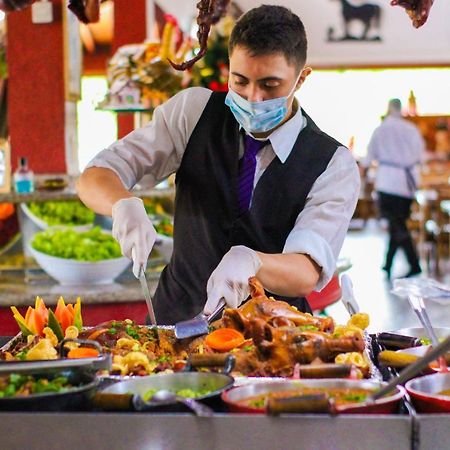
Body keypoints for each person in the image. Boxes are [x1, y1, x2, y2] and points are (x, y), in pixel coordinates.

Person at [76, 5, 360, 324]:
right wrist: (121, 204)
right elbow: (94, 176)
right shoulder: (194, 112)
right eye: (240, 81)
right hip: (174, 325)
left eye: (270, 85)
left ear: (301, 78)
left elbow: (307, 269)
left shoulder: (333, 163)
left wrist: (252, 262)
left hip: (273, 336)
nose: (252, 98)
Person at [361, 98, 425, 280]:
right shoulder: (411, 129)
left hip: (388, 182)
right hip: (406, 183)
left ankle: (414, 264)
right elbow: (420, 156)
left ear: (388, 109)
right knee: (398, 222)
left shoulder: (380, 130)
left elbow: (368, 157)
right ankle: (388, 264)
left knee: (397, 224)